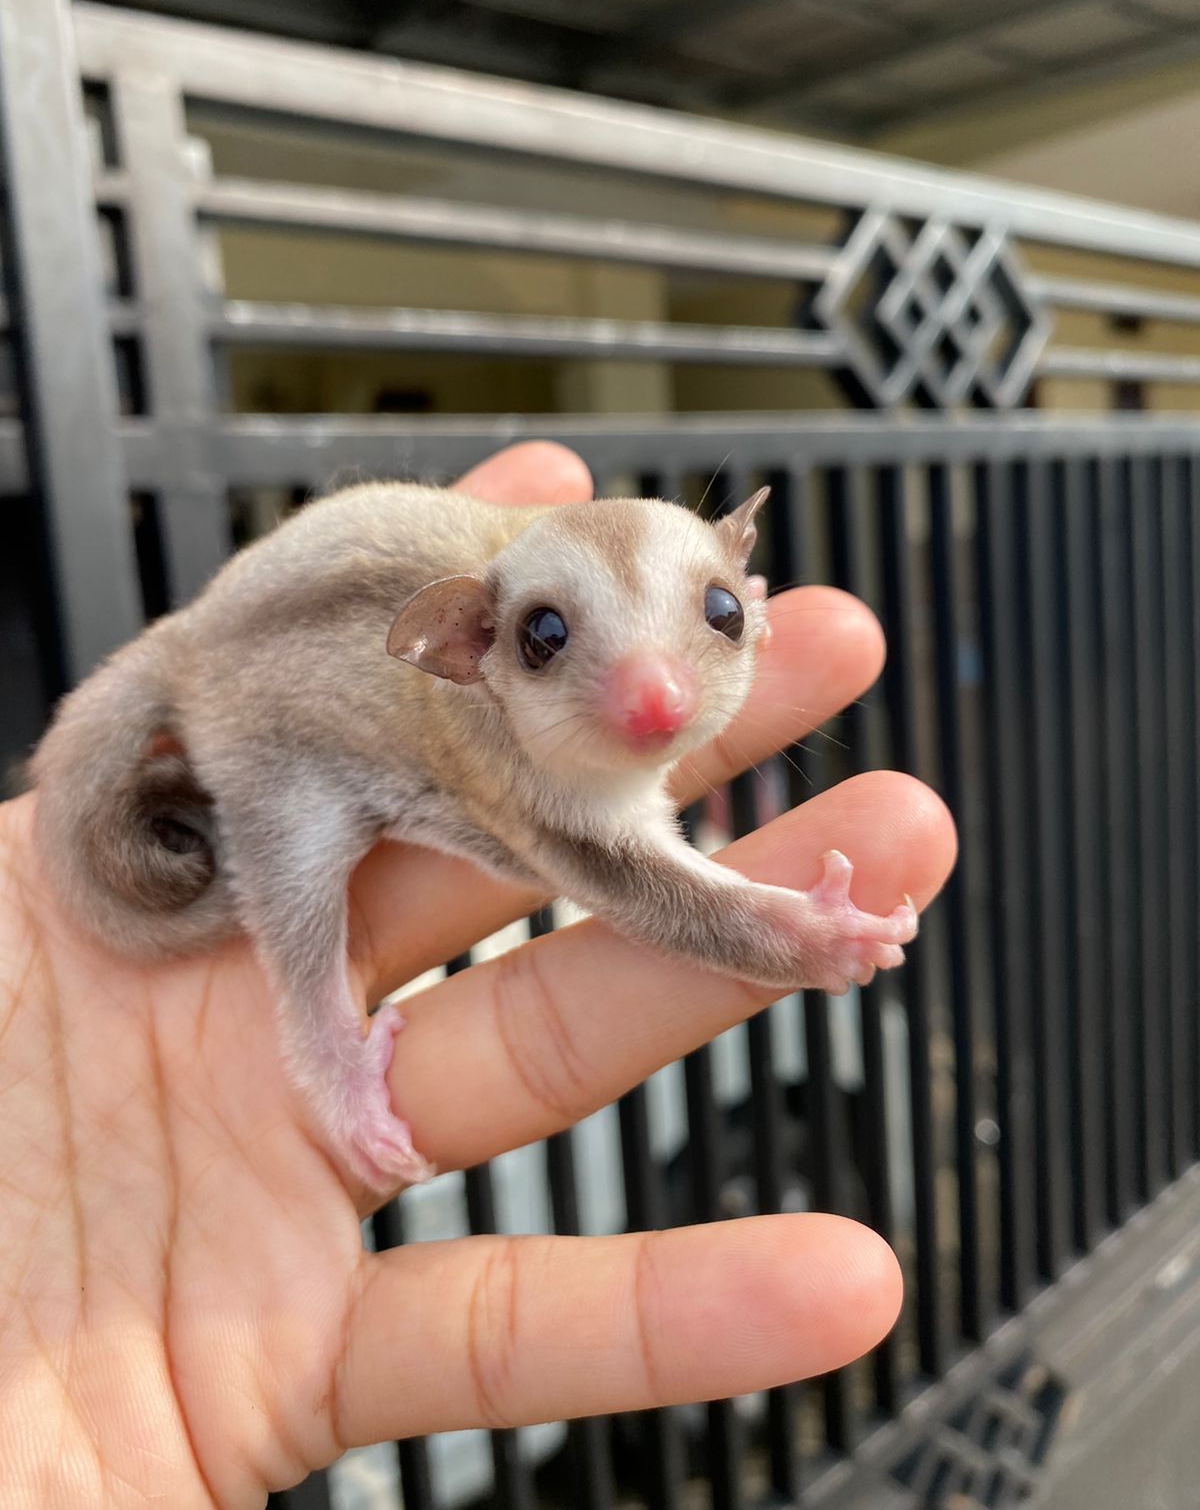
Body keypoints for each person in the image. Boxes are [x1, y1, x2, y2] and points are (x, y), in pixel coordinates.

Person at [0, 442, 954, 1505]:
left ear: (745, 586)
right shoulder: (501, 707)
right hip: (269, 699)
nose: (655, 694)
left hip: (363, 652)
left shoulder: (546, 668)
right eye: (549, 641)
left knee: (534, 831)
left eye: (718, 617)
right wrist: (803, 936)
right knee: (314, 869)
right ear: (469, 647)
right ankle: (331, 1063)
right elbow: (648, 887)